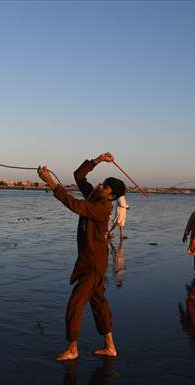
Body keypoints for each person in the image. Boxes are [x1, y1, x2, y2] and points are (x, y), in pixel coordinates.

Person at [38, 152, 126, 361]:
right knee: (98, 303)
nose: (100, 187)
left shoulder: (102, 207)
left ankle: (72, 348)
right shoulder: (95, 197)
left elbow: (74, 205)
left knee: (75, 304)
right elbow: (79, 176)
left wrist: (51, 182)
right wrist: (98, 160)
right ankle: (110, 346)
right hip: (89, 261)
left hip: (94, 264)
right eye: (103, 183)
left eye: (105, 187)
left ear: (111, 196)